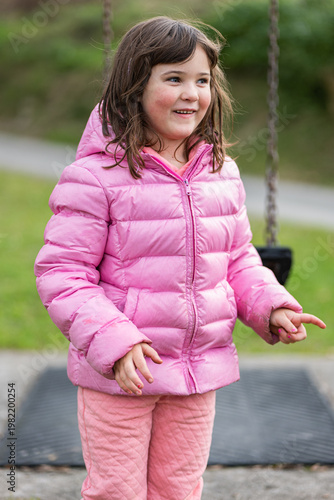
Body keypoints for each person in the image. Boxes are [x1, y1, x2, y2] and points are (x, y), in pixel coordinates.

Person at [34, 16, 326, 500]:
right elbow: (63, 274)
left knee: (179, 488)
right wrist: (115, 342)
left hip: (195, 371)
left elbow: (236, 258)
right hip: (125, 374)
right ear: (134, 86)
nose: (192, 93)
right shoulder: (95, 177)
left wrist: (270, 306)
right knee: (117, 491)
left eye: (202, 80)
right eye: (174, 78)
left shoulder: (220, 171)